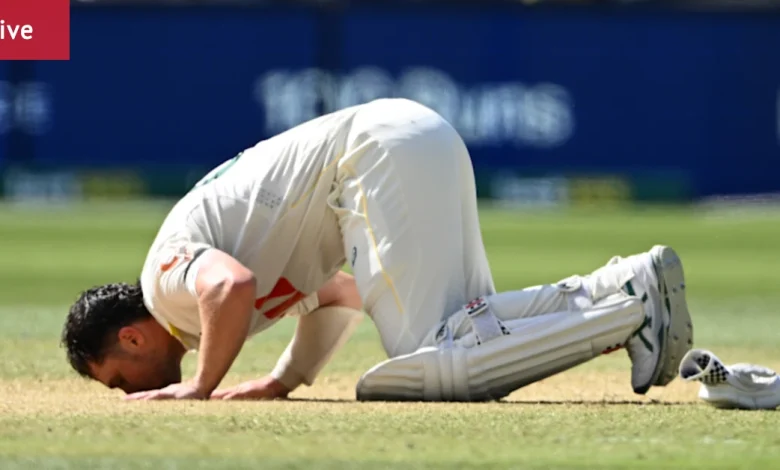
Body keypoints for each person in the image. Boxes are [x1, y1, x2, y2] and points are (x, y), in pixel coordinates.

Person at [61, 98, 693, 402]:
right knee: (474, 329)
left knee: (430, 365)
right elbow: (338, 292)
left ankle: (630, 312)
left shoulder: (163, 286)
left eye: (118, 379)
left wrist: (200, 385)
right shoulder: (192, 308)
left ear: (133, 339)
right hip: (417, 136)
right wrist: (285, 379)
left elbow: (230, 288)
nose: (127, 393)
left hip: (372, 156)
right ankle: (626, 285)